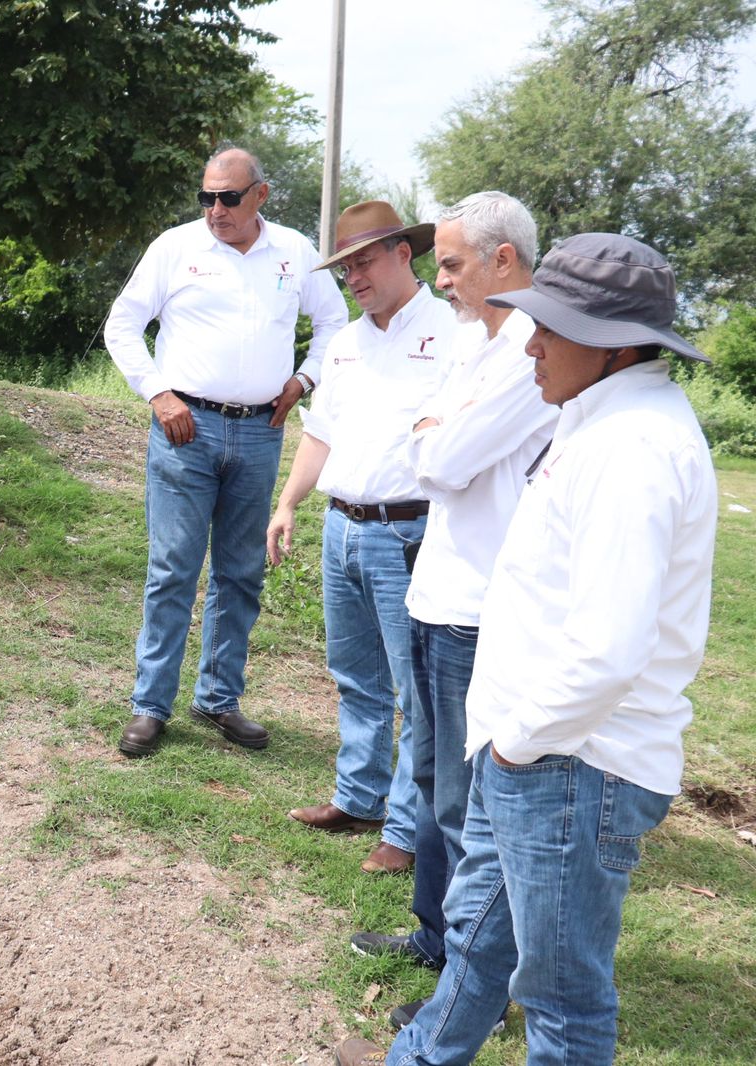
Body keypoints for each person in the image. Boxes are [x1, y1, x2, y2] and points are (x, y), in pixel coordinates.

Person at [336, 233, 717, 1066]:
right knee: (476, 941)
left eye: (552, 326)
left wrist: (514, 747)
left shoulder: (634, 449)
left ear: (617, 346)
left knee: (562, 1000)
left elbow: (610, 648)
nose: (532, 343)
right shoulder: (603, 418)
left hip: (571, 762)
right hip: (543, 754)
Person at [347, 194, 556, 1018]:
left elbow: (444, 456)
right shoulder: (476, 340)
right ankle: (437, 938)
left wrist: (436, 432)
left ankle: (477, 985)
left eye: (452, 264)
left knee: (474, 807)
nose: (441, 280)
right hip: (438, 587)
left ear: (504, 260)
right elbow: (424, 443)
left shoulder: (533, 350)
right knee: (434, 782)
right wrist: (435, 434)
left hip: (484, 603)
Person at [105, 146, 347, 759]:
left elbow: (335, 325)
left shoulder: (293, 252)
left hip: (261, 430)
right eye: (207, 197)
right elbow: (122, 324)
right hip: (186, 428)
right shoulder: (175, 248)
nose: (216, 209)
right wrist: (158, 392)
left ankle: (218, 698)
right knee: (173, 570)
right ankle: (150, 705)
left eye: (228, 198)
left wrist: (304, 381)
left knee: (240, 573)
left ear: (260, 195)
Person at [267, 201, 458, 875]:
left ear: (405, 254)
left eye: (365, 261)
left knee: (418, 690)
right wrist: (288, 504)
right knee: (355, 676)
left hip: (409, 533)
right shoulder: (345, 342)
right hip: (342, 528)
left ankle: (406, 832)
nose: (354, 277)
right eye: (345, 267)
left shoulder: (454, 332)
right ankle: (357, 798)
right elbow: (321, 432)